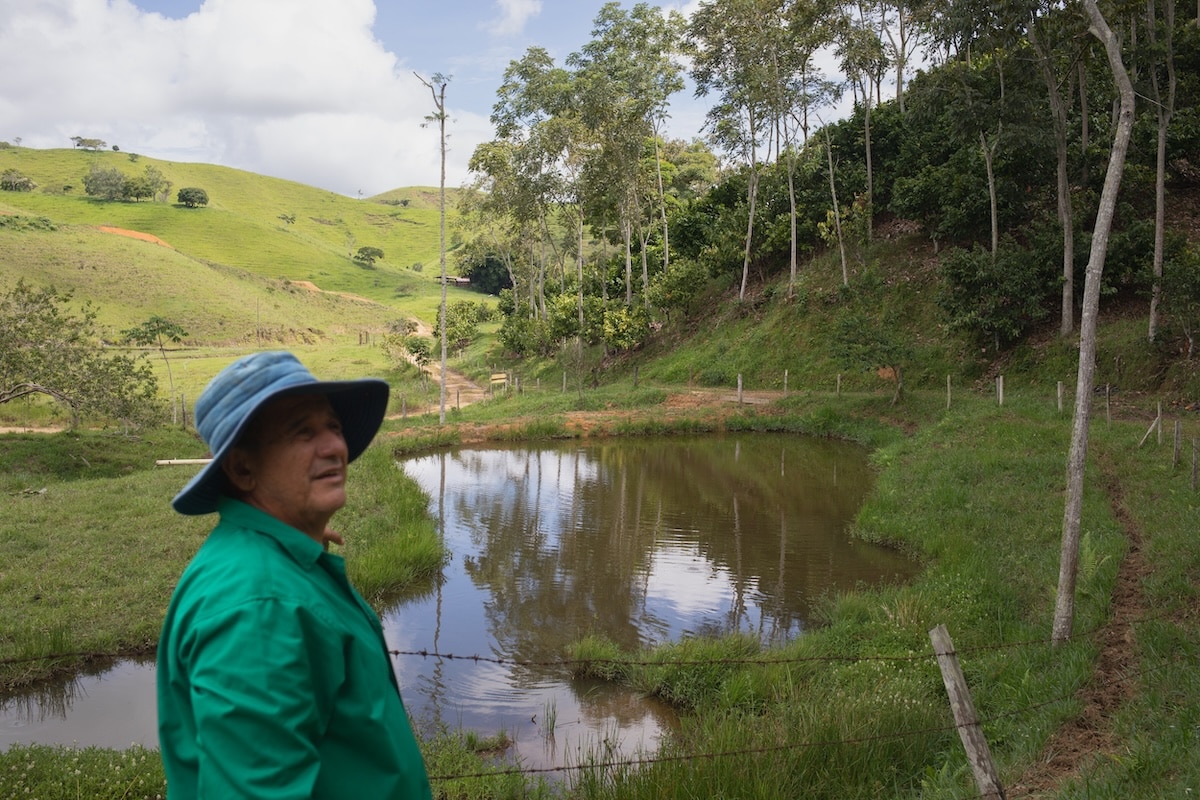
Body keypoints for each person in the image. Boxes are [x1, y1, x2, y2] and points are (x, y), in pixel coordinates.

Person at [157, 350, 432, 800]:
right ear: (243, 468)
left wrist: (301, 541)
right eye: (302, 432)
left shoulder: (272, 561)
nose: (333, 447)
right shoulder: (260, 608)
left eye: (334, 427)